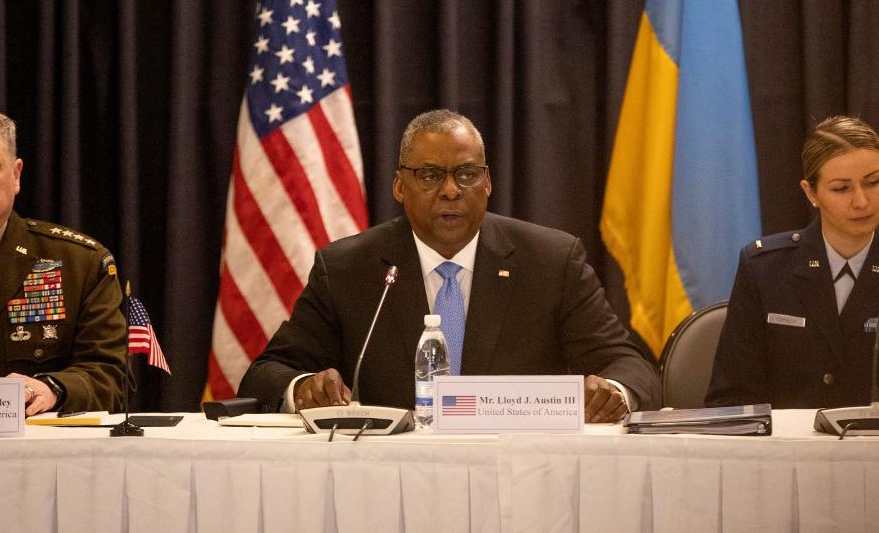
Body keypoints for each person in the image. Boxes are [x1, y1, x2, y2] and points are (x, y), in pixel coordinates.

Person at [239, 109, 660, 422]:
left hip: (515, 471)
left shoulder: (551, 261)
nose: (451, 191)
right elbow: (265, 375)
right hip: (388, 475)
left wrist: (611, 393)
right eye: (429, 175)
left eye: (467, 174)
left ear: (488, 182)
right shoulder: (348, 268)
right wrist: (304, 388)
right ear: (399, 186)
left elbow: (632, 368)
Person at [0, 101, 127, 415]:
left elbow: (110, 377)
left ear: (15, 176)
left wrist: (55, 388)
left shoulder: (79, 264)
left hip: (36, 445)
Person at [706, 115, 879, 408]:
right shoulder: (764, 268)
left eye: (873, 182)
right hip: (785, 438)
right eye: (841, 188)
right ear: (811, 192)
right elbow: (731, 398)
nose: (861, 201)